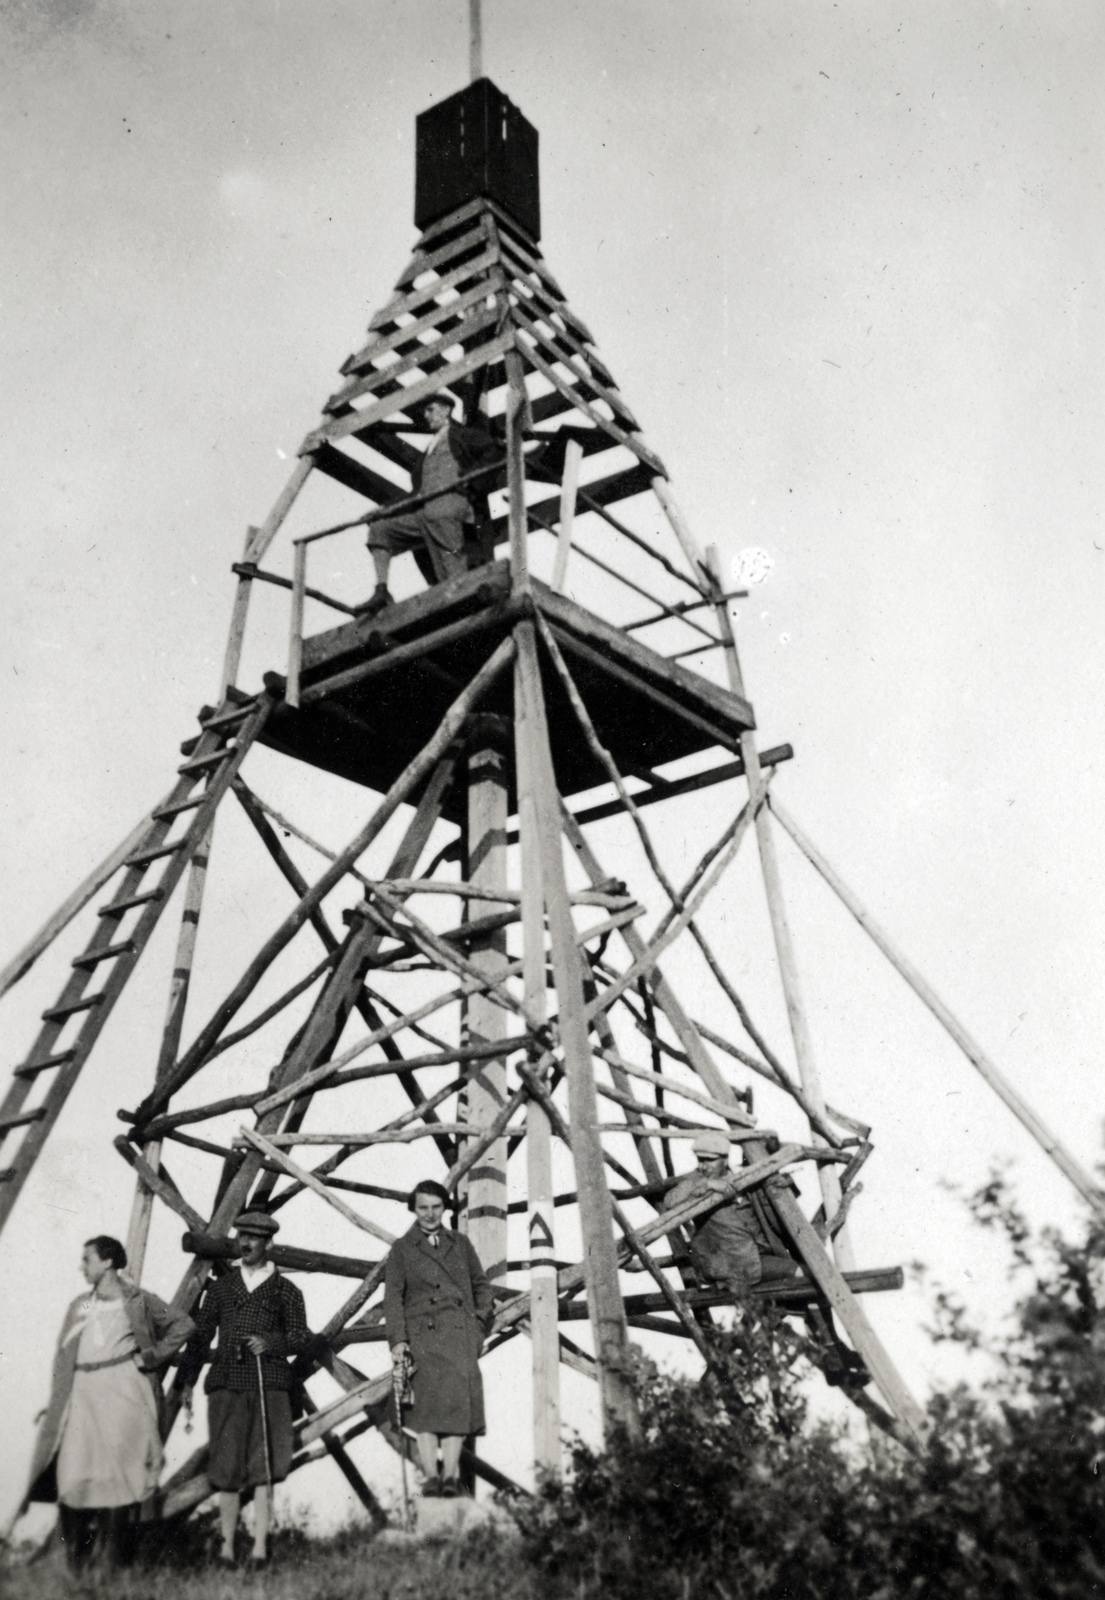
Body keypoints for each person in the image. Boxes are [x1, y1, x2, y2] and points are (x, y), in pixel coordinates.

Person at [21, 1234, 195, 1570]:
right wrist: (57, 1400)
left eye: (87, 1259)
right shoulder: (87, 1303)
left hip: (123, 1393)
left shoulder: (137, 1300)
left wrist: (154, 1355)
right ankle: (76, 1566)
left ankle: (113, 1565)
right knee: (72, 1475)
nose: (81, 1266)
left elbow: (183, 1325)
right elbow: (73, 1341)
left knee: (120, 1477)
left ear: (108, 1262)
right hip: (84, 1394)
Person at [178, 1210, 311, 1568]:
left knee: (264, 1466)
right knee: (226, 1467)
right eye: (242, 1237)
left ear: (269, 1244)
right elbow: (201, 1336)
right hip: (227, 1384)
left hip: (270, 1386)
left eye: (254, 1238)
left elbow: (300, 1336)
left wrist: (270, 1342)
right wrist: (188, 1381)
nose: (246, 1243)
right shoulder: (221, 1288)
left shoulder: (287, 1291)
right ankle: (225, 1549)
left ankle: (259, 1549)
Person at [385, 1179, 494, 1498]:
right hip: (422, 1340)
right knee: (427, 1411)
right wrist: (398, 1341)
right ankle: (432, 1475)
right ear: (414, 1209)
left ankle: (450, 1476)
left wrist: (478, 1326)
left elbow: (481, 1286)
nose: (430, 1214)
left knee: (456, 1409)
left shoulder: (460, 1244)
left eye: (436, 1207)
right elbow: (393, 1298)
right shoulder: (402, 1249)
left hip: (459, 1337)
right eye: (423, 1208)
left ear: (444, 1208)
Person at [363, 392, 502, 615]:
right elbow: (418, 492)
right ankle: (381, 592)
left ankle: (460, 594)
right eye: (425, 411)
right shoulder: (427, 452)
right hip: (425, 508)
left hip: (453, 502)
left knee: (441, 524)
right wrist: (385, 509)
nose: (426, 416)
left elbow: (496, 449)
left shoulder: (462, 435)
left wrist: (469, 480)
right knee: (381, 529)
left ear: (446, 410)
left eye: (431, 410)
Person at [662, 1130, 797, 1305]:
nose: (703, 1166)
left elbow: (771, 1204)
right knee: (800, 1274)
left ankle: (771, 1324)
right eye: (700, 1160)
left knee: (797, 1290)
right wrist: (707, 1184)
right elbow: (670, 1201)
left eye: (709, 1160)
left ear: (725, 1160)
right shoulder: (695, 1180)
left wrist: (787, 1183)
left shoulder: (742, 1177)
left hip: (760, 1255)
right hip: (733, 1265)